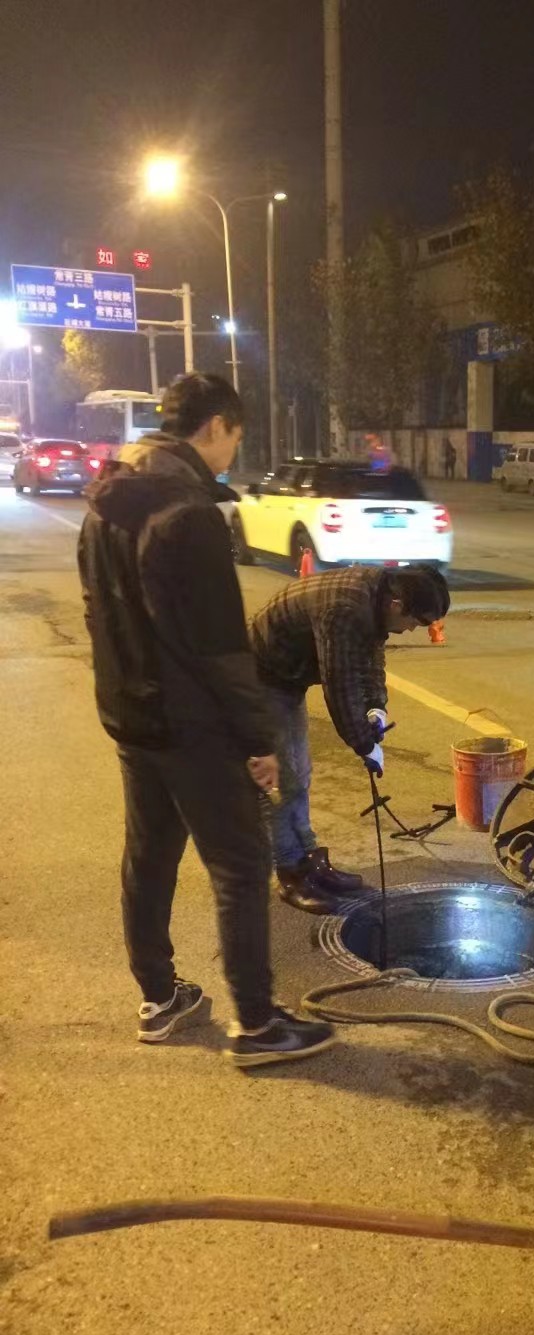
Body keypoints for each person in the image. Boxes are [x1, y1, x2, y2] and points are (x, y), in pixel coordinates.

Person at [77, 373, 336, 1068]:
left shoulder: (111, 498)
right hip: (189, 721)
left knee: (150, 856)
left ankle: (160, 1000)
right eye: (235, 440)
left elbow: (96, 612)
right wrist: (259, 740)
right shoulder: (186, 513)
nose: (231, 455)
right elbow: (222, 648)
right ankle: (258, 1026)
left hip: (132, 715)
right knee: (242, 865)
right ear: (216, 426)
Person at [249, 564, 451, 913]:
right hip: (258, 677)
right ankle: (291, 874)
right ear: (397, 605)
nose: (411, 631)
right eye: (415, 622)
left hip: (286, 678)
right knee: (283, 781)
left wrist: (376, 707)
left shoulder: (376, 595)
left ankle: (309, 858)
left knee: (301, 773)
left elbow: (370, 656)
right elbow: (339, 686)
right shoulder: (345, 609)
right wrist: (364, 744)